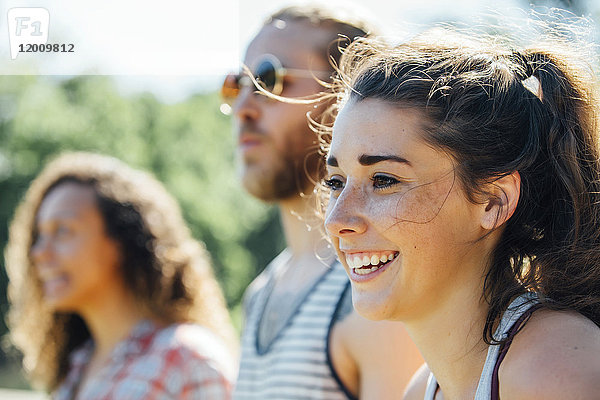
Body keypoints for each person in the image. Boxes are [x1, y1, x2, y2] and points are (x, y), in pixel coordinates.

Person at [323, 23, 600, 400]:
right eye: (336, 182)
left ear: (493, 201)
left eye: (384, 180)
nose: (336, 220)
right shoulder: (422, 390)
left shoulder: (555, 373)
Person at [222, 5, 423, 399]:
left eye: (268, 79)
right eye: (235, 85)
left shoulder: (374, 287)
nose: (243, 108)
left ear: (347, 100)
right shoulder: (261, 293)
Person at [5, 152, 237, 399]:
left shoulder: (189, 361)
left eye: (62, 231)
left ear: (122, 242)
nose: (39, 252)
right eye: (39, 236)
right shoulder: (78, 366)